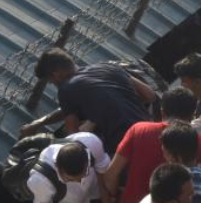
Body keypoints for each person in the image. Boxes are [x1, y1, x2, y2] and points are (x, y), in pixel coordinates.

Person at [102, 88, 201, 203]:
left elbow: (111, 175)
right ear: (193, 115)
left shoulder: (138, 130)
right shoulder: (198, 140)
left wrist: (113, 196)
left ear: (162, 111)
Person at [23, 49, 155, 154]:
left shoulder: (65, 89)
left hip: (127, 146)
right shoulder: (108, 67)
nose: (54, 84)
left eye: (51, 82)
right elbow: (150, 95)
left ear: (55, 75)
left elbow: (74, 138)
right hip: (151, 130)